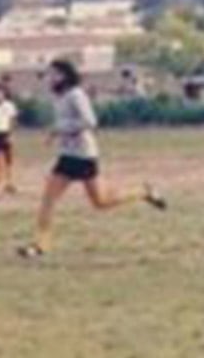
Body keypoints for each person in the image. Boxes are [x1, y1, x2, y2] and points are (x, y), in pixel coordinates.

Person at [17, 59, 167, 259]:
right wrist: (55, 134)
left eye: (54, 74)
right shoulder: (59, 97)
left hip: (84, 156)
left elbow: (90, 121)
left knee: (101, 202)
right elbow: (65, 122)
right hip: (67, 156)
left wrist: (62, 129)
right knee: (48, 200)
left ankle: (143, 192)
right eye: (49, 74)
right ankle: (40, 246)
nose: (50, 78)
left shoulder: (76, 94)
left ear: (65, 75)